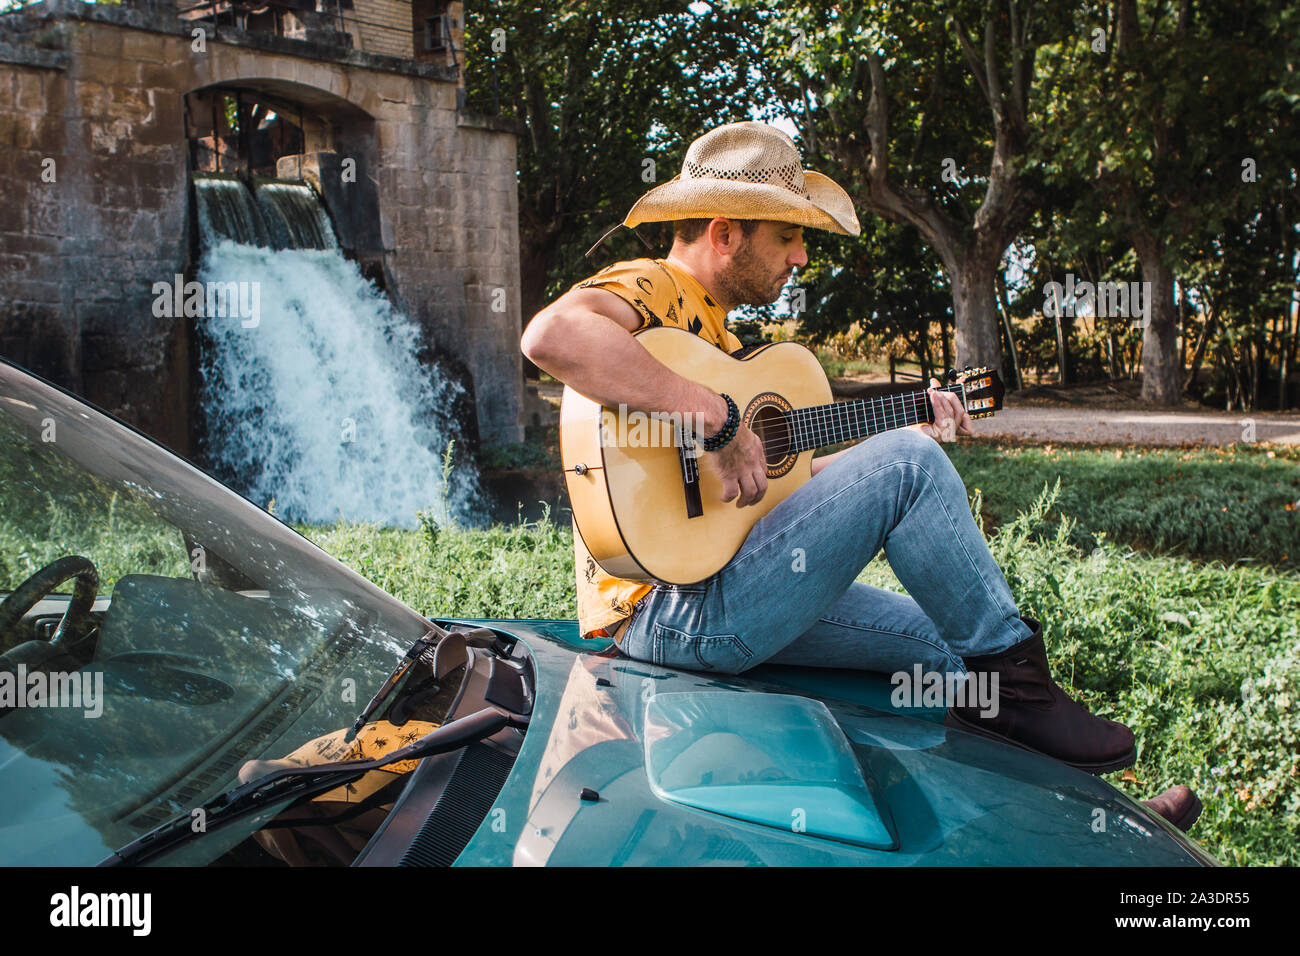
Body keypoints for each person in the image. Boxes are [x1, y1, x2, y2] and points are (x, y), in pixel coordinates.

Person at [520, 121, 1199, 829]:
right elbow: (552, 335)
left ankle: (1094, 821)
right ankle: (1023, 691)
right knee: (910, 472)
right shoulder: (656, 285)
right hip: (669, 614)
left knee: (947, 650)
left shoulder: (718, 337)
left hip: (725, 584)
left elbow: (791, 485)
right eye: (787, 237)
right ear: (724, 233)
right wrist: (717, 418)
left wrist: (894, 438)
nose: (802, 257)